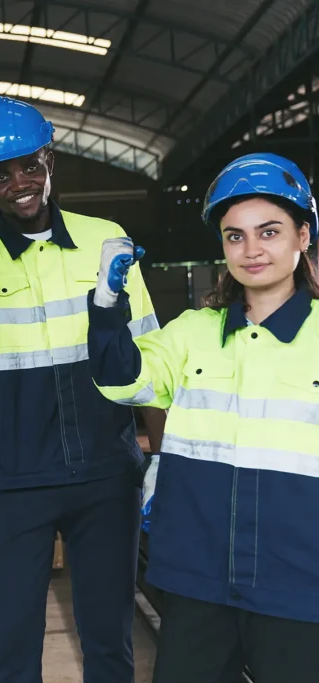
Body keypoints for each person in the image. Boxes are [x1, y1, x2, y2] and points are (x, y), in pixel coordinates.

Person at [0, 95, 167, 683]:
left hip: (106, 476)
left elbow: (151, 355)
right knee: (12, 650)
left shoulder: (106, 239)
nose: (19, 183)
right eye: (0, 174)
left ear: (49, 160)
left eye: (30, 165)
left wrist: (163, 460)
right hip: (14, 483)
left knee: (110, 642)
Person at [86, 152, 319, 683]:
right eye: (235, 235)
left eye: (269, 231)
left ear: (303, 236)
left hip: (299, 582)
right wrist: (105, 303)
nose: (252, 249)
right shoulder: (193, 331)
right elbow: (120, 380)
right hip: (198, 579)